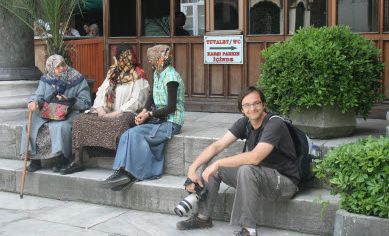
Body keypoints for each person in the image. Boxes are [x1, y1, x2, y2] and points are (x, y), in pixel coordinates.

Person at [176, 86, 300, 236]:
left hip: (284, 183)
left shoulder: (275, 124)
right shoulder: (245, 123)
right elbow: (218, 145)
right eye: (247, 105)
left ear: (263, 105)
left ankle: (249, 229)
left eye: (256, 103)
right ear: (242, 109)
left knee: (246, 168)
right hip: (258, 178)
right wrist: (192, 168)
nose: (252, 108)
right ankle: (203, 218)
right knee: (213, 162)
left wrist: (219, 163)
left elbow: (255, 157)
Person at [100, 45, 185, 191]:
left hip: (170, 122)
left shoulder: (171, 77)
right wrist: (144, 111)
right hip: (159, 118)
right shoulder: (159, 73)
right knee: (127, 134)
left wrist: (149, 114)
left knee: (135, 134)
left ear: (158, 58)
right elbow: (152, 95)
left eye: (151, 57)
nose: (149, 60)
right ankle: (120, 171)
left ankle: (133, 173)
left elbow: (171, 108)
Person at [60, 45, 150, 175]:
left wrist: (116, 113)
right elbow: (101, 92)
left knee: (121, 123)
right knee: (80, 120)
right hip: (107, 112)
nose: (114, 61)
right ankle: (77, 161)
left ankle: (122, 165)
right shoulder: (113, 72)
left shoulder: (138, 74)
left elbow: (137, 100)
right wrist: (100, 108)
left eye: (115, 58)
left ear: (122, 58)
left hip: (126, 113)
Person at [20, 55, 91, 172]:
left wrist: (68, 100)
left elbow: (86, 102)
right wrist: (34, 102)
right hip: (49, 112)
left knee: (60, 127)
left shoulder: (77, 78)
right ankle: (35, 159)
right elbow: (39, 96)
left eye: (63, 65)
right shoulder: (46, 79)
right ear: (50, 68)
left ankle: (62, 159)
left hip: (69, 112)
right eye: (57, 67)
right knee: (30, 124)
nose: (62, 68)